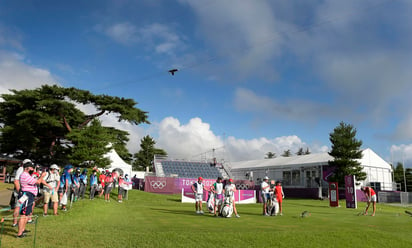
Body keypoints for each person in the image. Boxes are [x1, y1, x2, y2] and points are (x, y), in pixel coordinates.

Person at [16, 160, 51, 238]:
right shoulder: (24, 175)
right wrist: (42, 176)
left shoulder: (28, 175)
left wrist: (40, 176)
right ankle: (19, 233)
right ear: (27, 168)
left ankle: (22, 229)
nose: (33, 169)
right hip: (27, 195)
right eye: (32, 168)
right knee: (23, 214)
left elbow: (36, 180)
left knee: (27, 214)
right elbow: (38, 182)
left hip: (30, 195)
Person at [11, 160, 25, 227]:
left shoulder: (24, 170)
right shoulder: (21, 169)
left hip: (24, 191)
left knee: (22, 207)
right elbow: (16, 181)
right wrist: (19, 191)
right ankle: (15, 222)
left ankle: (20, 222)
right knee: (17, 206)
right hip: (19, 191)